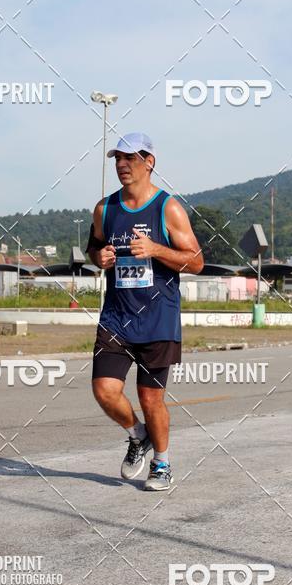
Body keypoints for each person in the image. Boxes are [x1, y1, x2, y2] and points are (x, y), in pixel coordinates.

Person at [86, 132, 204, 491]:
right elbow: (93, 248)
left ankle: (162, 463)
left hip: (158, 319)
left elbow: (196, 262)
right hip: (116, 317)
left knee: (150, 398)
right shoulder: (105, 209)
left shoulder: (168, 208)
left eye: (130, 158)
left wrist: (156, 249)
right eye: (117, 159)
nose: (122, 165)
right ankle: (138, 435)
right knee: (104, 390)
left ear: (149, 162)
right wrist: (99, 257)